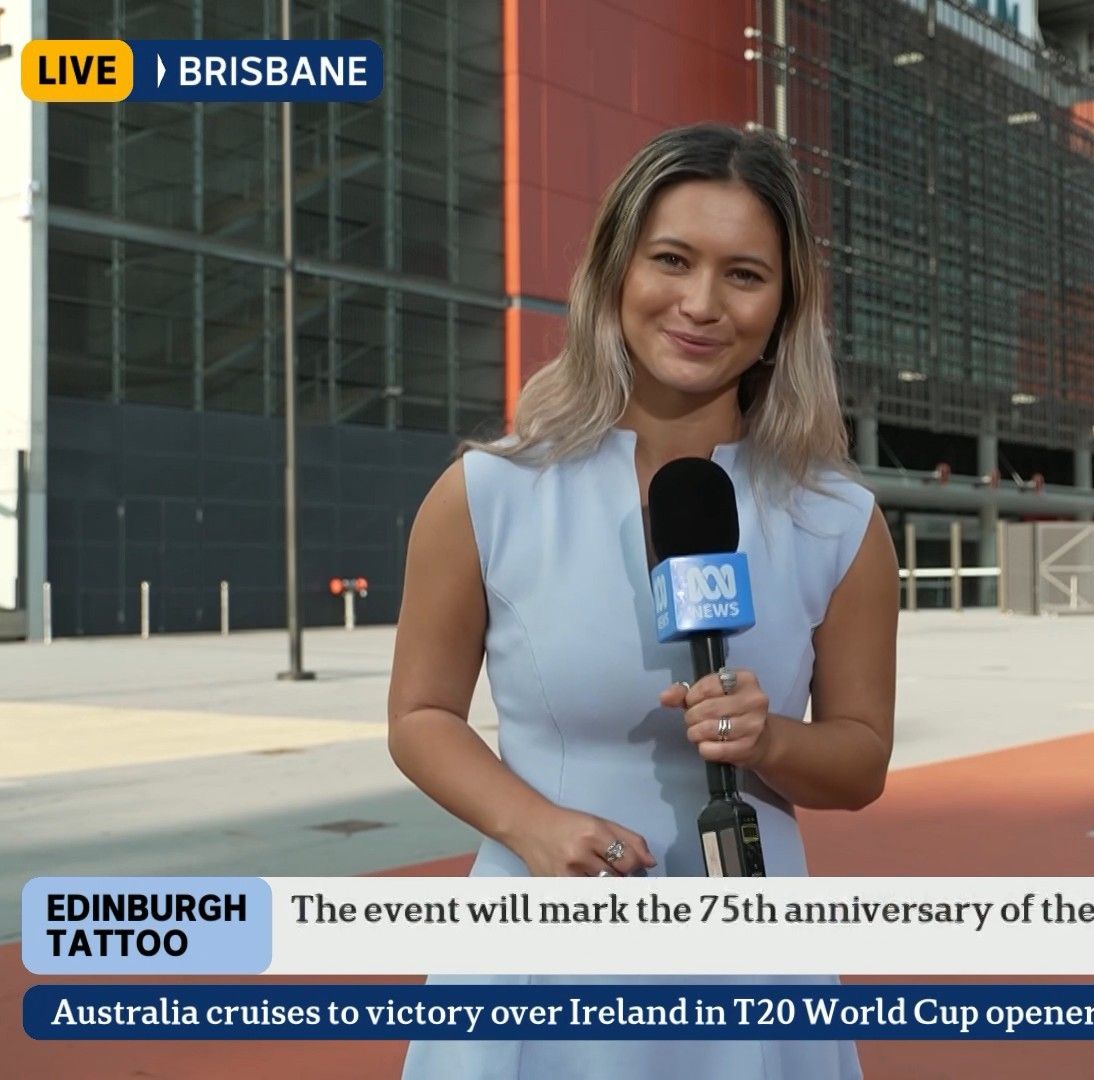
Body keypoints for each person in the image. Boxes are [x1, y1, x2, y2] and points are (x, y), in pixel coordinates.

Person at [388, 123, 898, 1079]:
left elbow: (861, 759)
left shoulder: (841, 520)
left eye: (744, 275)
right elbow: (419, 716)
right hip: (540, 949)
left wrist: (771, 739)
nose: (701, 303)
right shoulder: (489, 492)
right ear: (616, 269)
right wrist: (533, 827)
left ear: (786, 306)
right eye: (672, 259)